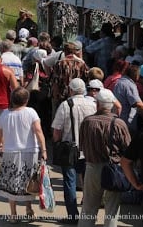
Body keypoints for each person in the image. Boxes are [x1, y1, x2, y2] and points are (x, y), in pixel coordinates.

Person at [78, 89, 131, 227]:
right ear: (112, 104)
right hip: (113, 168)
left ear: (98, 104)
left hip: (91, 167)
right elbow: (128, 149)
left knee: (89, 207)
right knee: (112, 209)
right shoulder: (119, 124)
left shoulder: (87, 122)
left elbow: (82, 146)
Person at [0, 87, 47, 223]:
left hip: (10, 152)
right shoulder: (31, 112)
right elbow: (38, 131)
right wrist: (44, 150)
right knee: (29, 181)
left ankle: (13, 214)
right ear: (26, 100)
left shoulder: (5, 114)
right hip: (30, 151)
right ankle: (29, 209)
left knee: (12, 183)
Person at [51, 78, 97, 224]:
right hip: (89, 149)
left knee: (70, 182)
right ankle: (89, 215)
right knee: (89, 184)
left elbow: (57, 130)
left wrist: (57, 144)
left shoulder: (66, 105)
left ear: (70, 90)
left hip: (70, 149)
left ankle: (73, 215)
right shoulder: (93, 104)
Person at [113, 64, 143, 136]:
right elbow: (137, 103)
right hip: (126, 121)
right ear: (135, 75)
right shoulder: (129, 84)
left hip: (118, 118)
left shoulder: (119, 82)